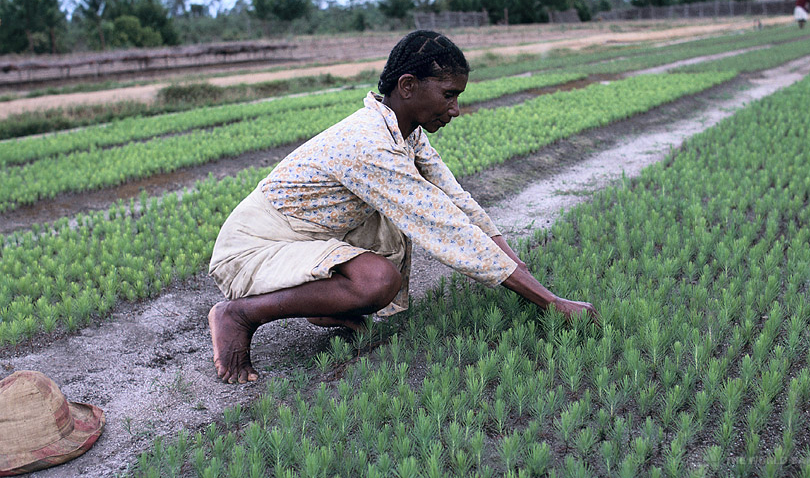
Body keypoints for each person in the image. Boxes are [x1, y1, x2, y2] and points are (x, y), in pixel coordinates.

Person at [207, 30, 598, 384]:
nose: (456, 109)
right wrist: (549, 302)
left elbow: (457, 202)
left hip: (308, 237)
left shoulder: (403, 132)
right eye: (449, 95)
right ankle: (239, 314)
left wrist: (522, 271)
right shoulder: (369, 143)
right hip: (253, 247)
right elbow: (443, 226)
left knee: (389, 247)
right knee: (376, 282)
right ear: (407, 86)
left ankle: (325, 303)